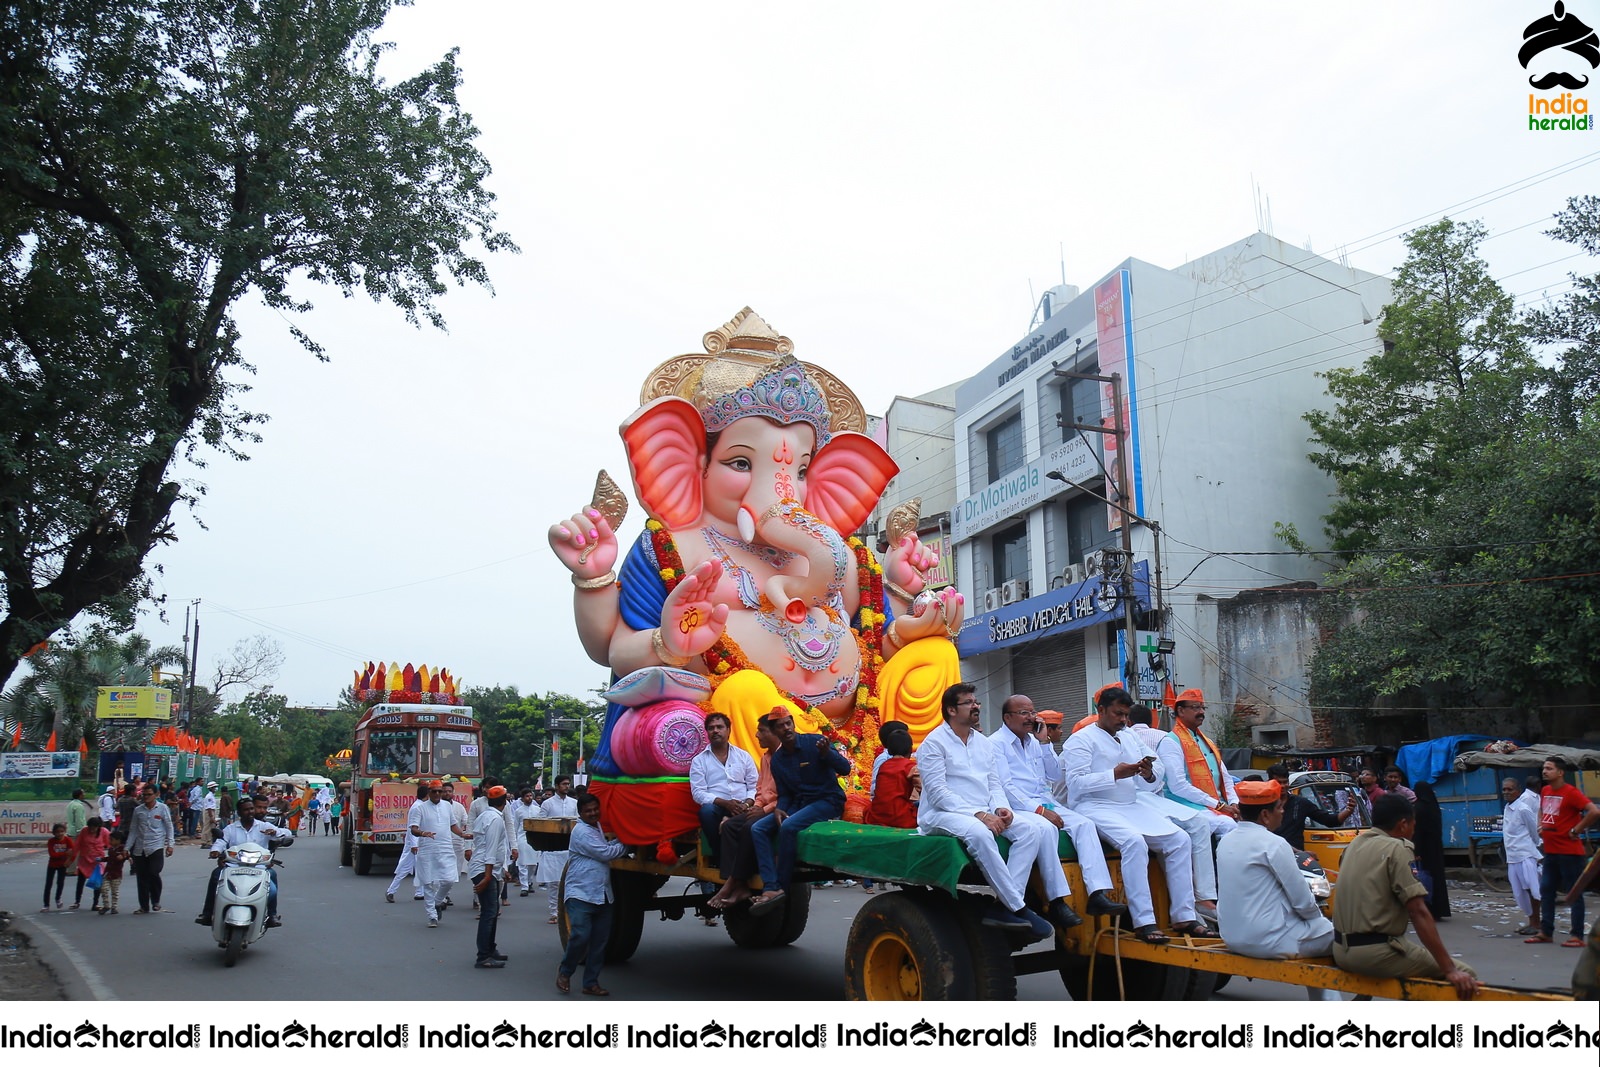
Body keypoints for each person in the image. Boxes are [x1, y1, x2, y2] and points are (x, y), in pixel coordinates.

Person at [1060, 685, 1207, 944]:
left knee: (1180, 840)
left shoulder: (1129, 735)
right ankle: (1144, 921)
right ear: (1101, 710)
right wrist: (1114, 774)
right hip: (1096, 806)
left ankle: (1184, 915)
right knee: (1134, 843)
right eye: (1117, 714)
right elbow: (1075, 783)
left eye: (1126, 715)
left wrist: (1148, 772)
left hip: (1131, 804)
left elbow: (1156, 768)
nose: (1123, 720)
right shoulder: (1080, 740)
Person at [913, 685, 1058, 941]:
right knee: (980, 834)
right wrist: (980, 814)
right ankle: (1018, 906)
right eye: (968, 702)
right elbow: (937, 793)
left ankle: (1002, 907)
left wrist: (1001, 808)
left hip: (984, 810)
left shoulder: (982, 742)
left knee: (1030, 831)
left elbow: (993, 783)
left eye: (976, 701)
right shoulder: (933, 744)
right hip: (941, 814)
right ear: (951, 710)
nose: (976, 706)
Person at [989, 693, 1127, 924]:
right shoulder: (995, 744)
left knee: (1085, 824)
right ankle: (1057, 901)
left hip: (1045, 800)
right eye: (1024, 713)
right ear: (1007, 717)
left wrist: (1045, 743)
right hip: (1018, 806)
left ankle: (1097, 893)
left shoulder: (1034, 742)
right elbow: (1006, 786)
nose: (1031, 717)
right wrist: (1040, 811)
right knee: (1046, 829)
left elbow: (1054, 775)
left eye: (1033, 712)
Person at [1331, 794, 1477, 998]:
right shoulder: (1396, 848)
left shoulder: (1354, 845)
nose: (1413, 831)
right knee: (1466, 974)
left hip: (1341, 950)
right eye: (1413, 825)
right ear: (1402, 825)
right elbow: (1418, 911)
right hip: (1374, 954)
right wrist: (1450, 969)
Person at [1216, 779, 1338, 1000]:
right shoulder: (1274, 843)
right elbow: (1302, 901)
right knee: (1332, 933)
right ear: (1265, 815)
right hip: (1267, 940)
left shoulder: (1225, 840)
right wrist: (1315, 920)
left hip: (1231, 936)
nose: (1283, 812)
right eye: (1279, 808)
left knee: (1315, 928)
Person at [747, 706, 851, 916]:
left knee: (788, 827)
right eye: (780, 726)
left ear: (793, 724)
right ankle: (770, 886)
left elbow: (845, 769)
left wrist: (827, 754)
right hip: (800, 803)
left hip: (827, 800)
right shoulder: (777, 760)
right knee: (758, 829)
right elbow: (784, 794)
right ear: (775, 731)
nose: (786, 728)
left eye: (788, 723)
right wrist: (780, 809)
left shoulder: (814, 743)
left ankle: (781, 889)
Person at [1155, 688, 1236, 922]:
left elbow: (1225, 778)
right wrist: (1219, 806)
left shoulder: (1207, 741)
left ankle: (1233, 889)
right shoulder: (1170, 742)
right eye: (1195, 708)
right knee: (1212, 825)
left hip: (1212, 805)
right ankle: (1205, 896)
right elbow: (1178, 786)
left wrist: (1235, 803)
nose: (1201, 712)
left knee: (1237, 827)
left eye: (1202, 708)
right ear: (1180, 711)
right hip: (1183, 805)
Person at [557, 792, 629, 996]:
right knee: (580, 935)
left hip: (603, 893)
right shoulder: (581, 832)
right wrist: (628, 840)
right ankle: (565, 971)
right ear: (580, 813)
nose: (593, 813)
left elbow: (606, 847)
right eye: (588, 811)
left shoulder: (596, 826)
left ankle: (590, 983)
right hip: (581, 893)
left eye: (595, 809)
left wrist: (620, 840)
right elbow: (605, 853)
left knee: (599, 943)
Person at [707, 716, 781, 909]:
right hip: (752, 806)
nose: (757, 735)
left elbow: (786, 795)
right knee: (729, 825)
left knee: (751, 826)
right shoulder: (765, 757)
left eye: (761, 731)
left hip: (777, 808)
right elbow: (759, 788)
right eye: (711, 728)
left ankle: (732, 882)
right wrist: (755, 806)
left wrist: (756, 808)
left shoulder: (784, 757)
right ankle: (738, 884)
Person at [1528, 756, 1600, 948]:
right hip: (1551, 851)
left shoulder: (1571, 792)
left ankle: (1576, 935)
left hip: (1570, 853)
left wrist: (1576, 830)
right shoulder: (1545, 790)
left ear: (1560, 773)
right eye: (1544, 768)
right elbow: (1542, 810)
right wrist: (1540, 824)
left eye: (1549, 768)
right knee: (1546, 891)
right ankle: (1546, 932)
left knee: (1573, 893)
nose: (1544, 771)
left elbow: (1594, 811)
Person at [196, 796, 285, 926]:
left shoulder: (264, 826)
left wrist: (275, 832)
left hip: (259, 868)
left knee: (272, 882)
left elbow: (286, 833)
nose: (249, 812)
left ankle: (272, 915)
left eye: (251, 809)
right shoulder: (230, 829)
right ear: (239, 813)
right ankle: (207, 913)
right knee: (216, 875)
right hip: (233, 866)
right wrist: (215, 851)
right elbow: (221, 841)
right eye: (246, 810)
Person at [689, 711, 760, 868]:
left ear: (728, 730)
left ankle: (750, 862)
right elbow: (698, 793)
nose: (715, 731)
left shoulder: (744, 756)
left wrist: (747, 804)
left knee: (760, 815)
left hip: (744, 806)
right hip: (718, 808)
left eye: (719, 727)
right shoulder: (699, 761)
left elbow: (754, 785)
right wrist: (726, 804)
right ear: (707, 732)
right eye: (711, 728)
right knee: (706, 812)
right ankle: (720, 859)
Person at [407, 779, 463, 928]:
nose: (438, 794)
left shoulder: (447, 807)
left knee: (449, 879)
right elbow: (413, 829)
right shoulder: (420, 808)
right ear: (429, 792)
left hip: (446, 848)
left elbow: (453, 826)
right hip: (427, 849)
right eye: (434, 791)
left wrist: (463, 835)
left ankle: (438, 902)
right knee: (428, 883)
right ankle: (432, 916)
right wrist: (423, 833)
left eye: (440, 791)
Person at [469, 785, 512, 968]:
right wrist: (487, 877)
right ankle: (483, 956)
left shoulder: (486, 815)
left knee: (491, 912)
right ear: (504, 801)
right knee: (489, 912)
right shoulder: (495, 819)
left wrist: (502, 870)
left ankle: (490, 949)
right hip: (484, 869)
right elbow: (491, 849)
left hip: (486, 868)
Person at [1267, 763, 1355, 851]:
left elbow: (1330, 820)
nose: (1282, 786)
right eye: (1278, 782)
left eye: (1285, 782)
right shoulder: (1263, 804)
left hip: (1295, 858)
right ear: (1269, 782)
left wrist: (1348, 810)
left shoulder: (1300, 803)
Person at [1501, 775, 1543, 935]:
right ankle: (1532, 921)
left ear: (1518, 791)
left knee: (1532, 890)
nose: (1506, 792)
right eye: (1504, 789)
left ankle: (1536, 924)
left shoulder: (1523, 808)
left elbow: (1534, 832)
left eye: (1509, 789)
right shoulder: (1507, 807)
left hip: (1525, 855)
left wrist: (1536, 850)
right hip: (1513, 857)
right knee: (1520, 893)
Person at [127, 782, 175, 913]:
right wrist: (127, 848)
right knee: (141, 878)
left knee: (153, 872)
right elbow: (133, 830)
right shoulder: (138, 811)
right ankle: (143, 906)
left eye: (149, 794)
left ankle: (155, 900)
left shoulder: (163, 808)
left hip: (156, 846)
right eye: (144, 794)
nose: (146, 797)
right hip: (140, 848)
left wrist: (170, 845)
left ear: (156, 795)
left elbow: (169, 827)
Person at [538, 776, 580, 923]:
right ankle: (554, 912)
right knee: (553, 883)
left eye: (568, 784)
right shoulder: (547, 804)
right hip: (552, 850)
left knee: (570, 882)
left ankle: (568, 911)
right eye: (564, 784)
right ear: (556, 786)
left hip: (570, 849)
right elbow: (541, 825)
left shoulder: (574, 803)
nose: (566, 786)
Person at [867, 721, 920, 829]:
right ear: (910, 749)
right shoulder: (910, 766)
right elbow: (923, 789)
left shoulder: (884, 765)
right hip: (900, 817)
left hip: (876, 817)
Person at [1411, 781, 1451, 920]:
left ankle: (1428, 909)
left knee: (1425, 877)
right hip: (1435, 847)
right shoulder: (1433, 806)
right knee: (1436, 877)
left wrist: (1416, 851)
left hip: (1424, 849)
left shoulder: (1419, 808)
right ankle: (1439, 909)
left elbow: (1418, 832)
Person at [386, 783, 430, 903]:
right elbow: (413, 828)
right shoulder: (417, 807)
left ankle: (419, 892)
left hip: (417, 843)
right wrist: (414, 845)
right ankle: (391, 891)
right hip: (414, 844)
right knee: (405, 868)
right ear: (427, 795)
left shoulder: (422, 806)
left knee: (421, 868)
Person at [72, 816, 110, 911]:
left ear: (98, 827)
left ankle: (95, 903)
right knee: (80, 881)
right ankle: (77, 901)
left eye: (94, 827)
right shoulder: (84, 831)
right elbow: (77, 845)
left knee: (97, 883)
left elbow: (111, 843)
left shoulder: (104, 832)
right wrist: (71, 858)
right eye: (90, 827)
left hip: (97, 861)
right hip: (84, 860)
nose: (92, 830)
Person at [42, 823, 73, 911]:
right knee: (48, 884)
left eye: (62, 832)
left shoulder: (68, 840)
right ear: (54, 833)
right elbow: (52, 855)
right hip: (52, 864)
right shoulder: (51, 841)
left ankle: (58, 898)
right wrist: (65, 854)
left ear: (65, 832)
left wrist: (69, 861)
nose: (60, 834)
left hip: (63, 865)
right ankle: (46, 904)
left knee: (60, 882)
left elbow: (73, 852)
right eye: (57, 832)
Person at [101, 830, 129, 914]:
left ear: (118, 840)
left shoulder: (122, 849)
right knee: (103, 889)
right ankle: (106, 905)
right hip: (108, 872)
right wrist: (102, 859)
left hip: (116, 874)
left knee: (114, 891)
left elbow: (127, 855)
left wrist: (124, 856)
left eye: (111, 839)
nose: (110, 841)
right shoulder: (111, 849)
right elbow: (109, 858)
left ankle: (114, 907)